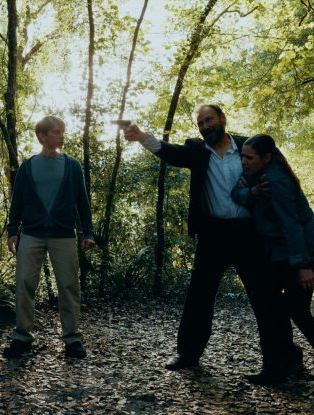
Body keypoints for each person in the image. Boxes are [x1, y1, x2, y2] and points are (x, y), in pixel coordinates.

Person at [123, 105, 300, 376]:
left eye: (209, 120)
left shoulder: (245, 146)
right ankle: (188, 353)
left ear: (222, 120)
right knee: (199, 295)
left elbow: (278, 172)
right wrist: (141, 136)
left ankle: (282, 360)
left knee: (266, 296)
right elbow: (168, 151)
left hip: (249, 233)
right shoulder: (196, 151)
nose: (205, 126)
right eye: (201, 122)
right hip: (213, 234)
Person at [232, 133, 314, 401]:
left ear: (266, 158)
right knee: (270, 306)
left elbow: (292, 225)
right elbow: (236, 194)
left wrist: (303, 266)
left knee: (300, 314)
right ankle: (279, 368)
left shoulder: (276, 180)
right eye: (242, 156)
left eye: (248, 157)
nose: (243, 162)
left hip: (300, 253)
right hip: (279, 254)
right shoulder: (257, 175)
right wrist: (248, 191)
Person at [2, 116, 96, 359]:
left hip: (63, 235)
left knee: (68, 286)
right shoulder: (27, 166)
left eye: (62, 132)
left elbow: (82, 202)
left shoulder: (72, 166)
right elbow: (17, 201)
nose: (61, 136)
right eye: (56, 132)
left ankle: (72, 340)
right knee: (24, 284)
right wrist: (12, 231)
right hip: (31, 234)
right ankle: (22, 338)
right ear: (42, 136)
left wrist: (88, 232)